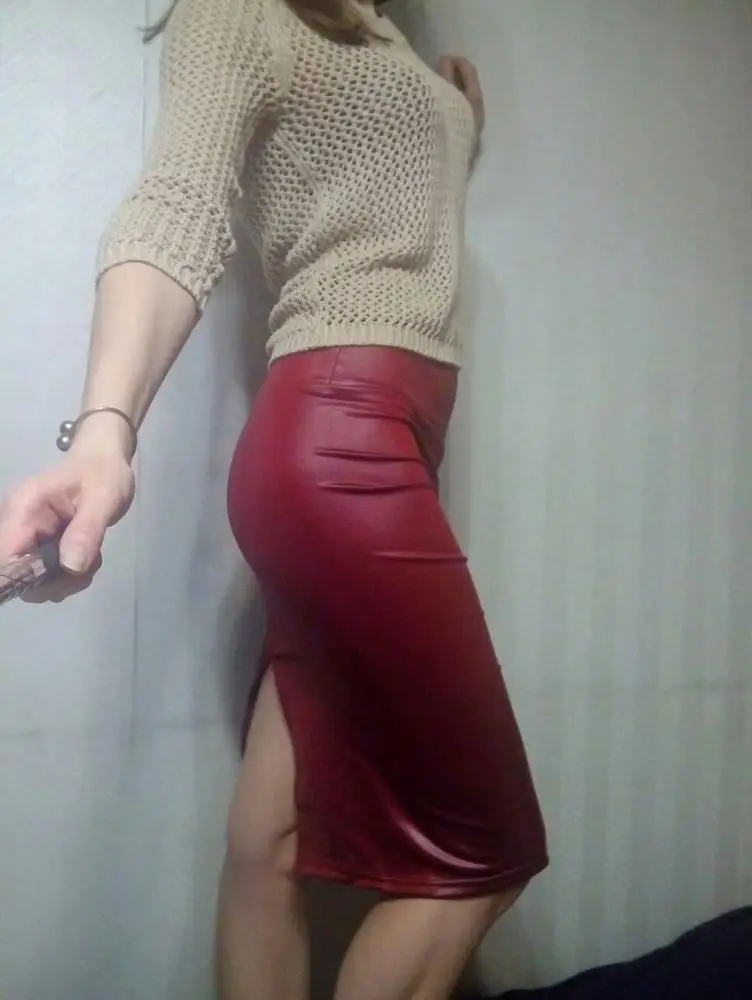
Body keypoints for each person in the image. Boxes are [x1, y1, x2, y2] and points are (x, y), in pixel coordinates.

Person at [0, 1, 548, 998]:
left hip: (359, 453)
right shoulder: (246, 9)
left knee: (273, 834)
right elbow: (178, 201)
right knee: (480, 855)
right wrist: (106, 429)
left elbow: (367, 203)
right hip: (344, 447)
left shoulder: (387, 40)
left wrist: (447, 124)